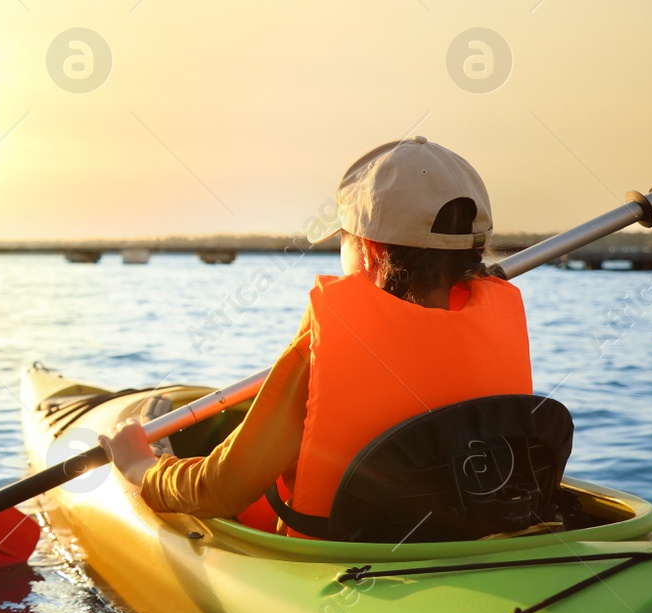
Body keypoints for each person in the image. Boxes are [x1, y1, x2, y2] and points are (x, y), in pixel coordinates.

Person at [112, 137, 533, 536]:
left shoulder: (324, 346)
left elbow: (222, 488)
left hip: (343, 561)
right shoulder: (496, 326)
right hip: (470, 534)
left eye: (343, 240)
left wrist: (142, 469)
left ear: (369, 250)